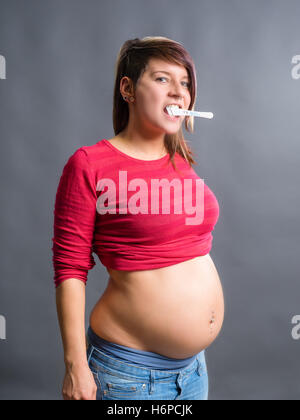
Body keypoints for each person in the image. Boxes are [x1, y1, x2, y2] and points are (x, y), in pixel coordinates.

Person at [52, 36, 225, 401]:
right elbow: (70, 267)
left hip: (193, 370)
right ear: (128, 89)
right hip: (128, 375)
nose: (178, 92)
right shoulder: (89, 164)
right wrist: (75, 365)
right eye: (163, 79)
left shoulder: (181, 162)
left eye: (185, 82)